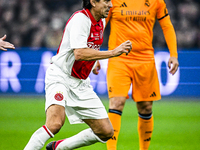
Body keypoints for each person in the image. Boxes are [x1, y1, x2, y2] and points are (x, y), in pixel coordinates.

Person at [24, 0, 132, 150]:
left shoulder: (100, 21)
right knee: (54, 124)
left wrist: (94, 61)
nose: (111, 5)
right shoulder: (81, 19)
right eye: (106, 1)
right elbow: (80, 52)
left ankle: (59, 147)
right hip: (61, 76)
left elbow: (88, 46)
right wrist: (113, 53)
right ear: (93, 2)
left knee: (106, 131)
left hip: (80, 83)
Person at [105, 0, 179, 150]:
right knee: (116, 102)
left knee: (145, 107)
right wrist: (94, 53)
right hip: (119, 58)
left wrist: (173, 54)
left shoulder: (156, 1)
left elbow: (167, 26)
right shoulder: (112, 1)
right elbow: (100, 25)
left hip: (145, 59)